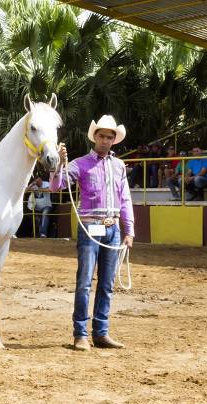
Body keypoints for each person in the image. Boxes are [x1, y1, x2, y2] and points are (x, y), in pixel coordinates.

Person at [49, 115, 134, 351]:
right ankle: (81, 333)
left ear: (114, 139)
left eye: (109, 136)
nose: (105, 140)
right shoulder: (80, 163)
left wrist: (129, 231)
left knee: (106, 283)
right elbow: (57, 186)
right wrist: (58, 164)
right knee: (85, 282)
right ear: (95, 137)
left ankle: (101, 332)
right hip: (90, 226)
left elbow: (125, 198)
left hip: (113, 228)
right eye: (102, 136)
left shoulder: (118, 167)